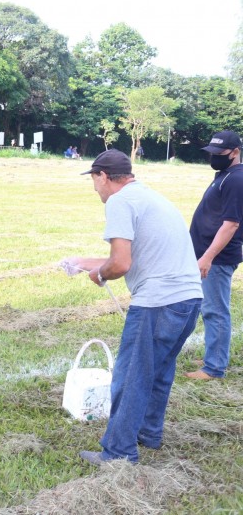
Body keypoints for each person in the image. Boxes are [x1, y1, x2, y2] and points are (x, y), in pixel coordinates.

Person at [65, 149, 203, 465]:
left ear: (103, 176)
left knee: (131, 376)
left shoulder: (119, 201)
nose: (94, 187)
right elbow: (135, 257)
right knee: (158, 370)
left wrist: (99, 274)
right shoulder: (150, 198)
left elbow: (121, 263)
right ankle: (147, 432)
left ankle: (118, 453)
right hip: (188, 300)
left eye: (94, 180)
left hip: (157, 303)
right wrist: (81, 262)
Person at [186, 130, 243, 380]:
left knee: (215, 310)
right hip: (206, 255)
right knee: (205, 306)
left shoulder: (236, 180)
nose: (214, 158)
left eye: (219, 154)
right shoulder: (225, 174)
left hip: (217, 259)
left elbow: (231, 224)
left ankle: (214, 367)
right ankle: (214, 352)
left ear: (235, 152)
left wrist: (208, 257)